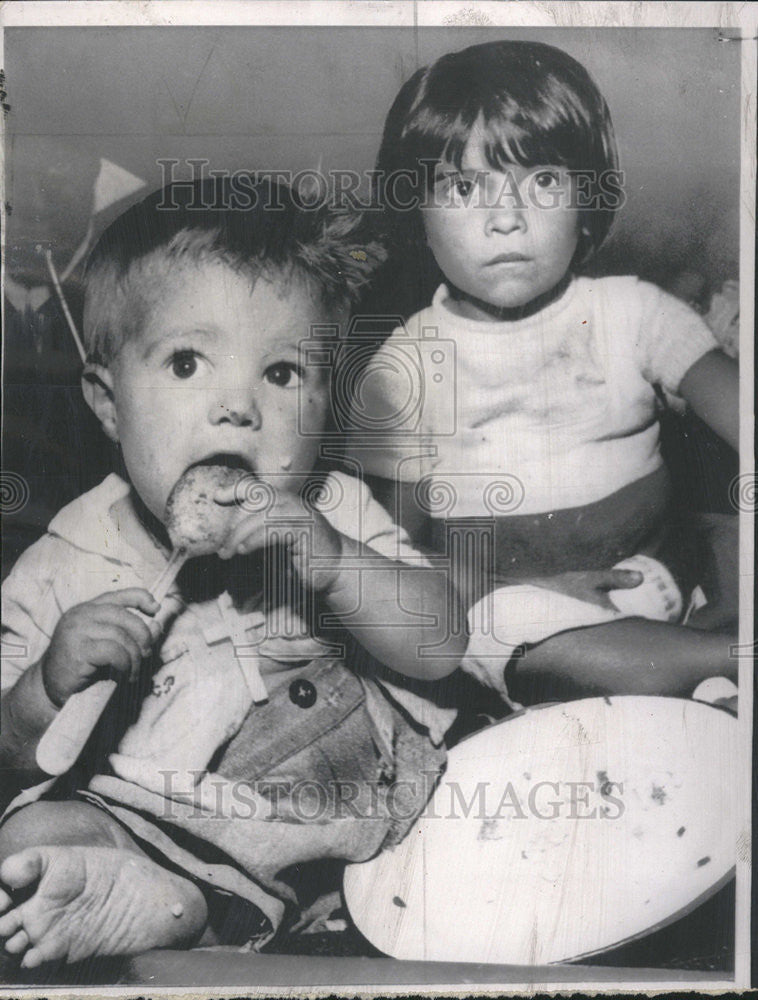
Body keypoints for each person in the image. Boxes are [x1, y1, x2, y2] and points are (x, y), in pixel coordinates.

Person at [0, 176, 467, 969]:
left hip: (344, 796)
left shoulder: (330, 508)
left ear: (328, 409)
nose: (236, 409)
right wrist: (46, 686)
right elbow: (10, 756)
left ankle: (188, 903)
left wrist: (336, 563)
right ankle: (160, 901)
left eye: (282, 374)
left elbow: (442, 644)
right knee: (28, 836)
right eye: (187, 363)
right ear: (108, 405)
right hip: (148, 817)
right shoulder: (61, 562)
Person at [346, 40, 739, 707]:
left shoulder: (632, 312)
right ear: (417, 212)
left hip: (652, 576)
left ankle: (700, 668)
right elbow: (400, 558)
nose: (507, 218)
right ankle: (718, 666)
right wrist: (508, 593)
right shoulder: (400, 370)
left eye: (544, 181)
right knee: (497, 629)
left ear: (587, 197)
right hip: (515, 618)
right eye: (465, 187)